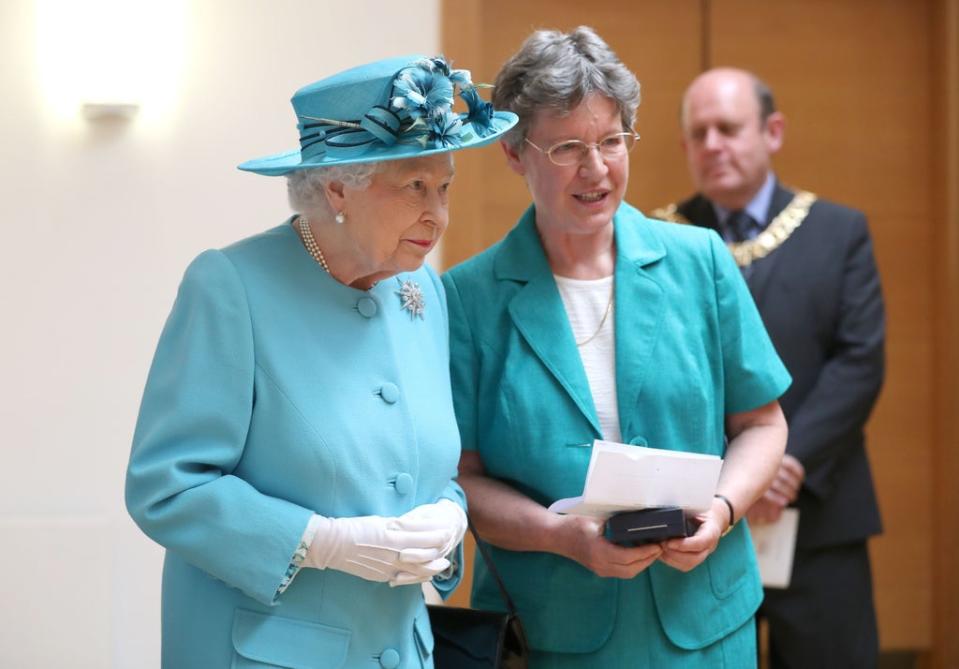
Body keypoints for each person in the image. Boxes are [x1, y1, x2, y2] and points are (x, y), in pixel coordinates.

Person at [125, 55, 517, 669]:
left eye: (444, 187)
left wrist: (448, 515)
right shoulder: (231, 286)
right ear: (338, 187)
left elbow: (430, 465)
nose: (437, 215)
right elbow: (166, 486)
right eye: (415, 187)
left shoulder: (425, 291)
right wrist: (319, 542)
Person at [442, 27, 791, 668]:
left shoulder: (700, 260)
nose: (596, 169)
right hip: (552, 630)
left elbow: (762, 424)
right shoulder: (468, 298)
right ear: (515, 154)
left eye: (611, 141)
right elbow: (461, 479)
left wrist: (722, 508)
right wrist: (560, 535)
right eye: (568, 147)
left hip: (705, 624)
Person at [653, 67, 885, 668]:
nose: (713, 145)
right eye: (698, 133)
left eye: (728, 128)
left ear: (772, 132)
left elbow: (859, 362)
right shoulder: (659, 239)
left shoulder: (838, 232)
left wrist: (786, 463)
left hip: (817, 514)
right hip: (695, 521)